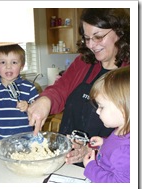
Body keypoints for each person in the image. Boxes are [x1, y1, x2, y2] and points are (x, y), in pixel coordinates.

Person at [28, 8, 130, 164]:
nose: (91, 45)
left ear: (120, 32)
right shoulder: (84, 62)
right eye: (87, 38)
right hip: (66, 158)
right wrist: (46, 101)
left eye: (98, 37)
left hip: (106, 167)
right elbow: (61, 88)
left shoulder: (131, 74)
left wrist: (93, 150)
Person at [0, 44, 39, 139]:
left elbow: (38, 110)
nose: (8, 67)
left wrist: (28, 107)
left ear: (22, 66)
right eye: (3, 62)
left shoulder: (29, 88)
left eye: (14, 62)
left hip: (25, 138)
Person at [83, 66, 130, 183]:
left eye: (101, 106)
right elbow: (116, 145)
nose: (97, 111)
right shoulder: (122, 131)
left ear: (123, 109)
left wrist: (91, 167)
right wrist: (104, 143)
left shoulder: (126, 152)